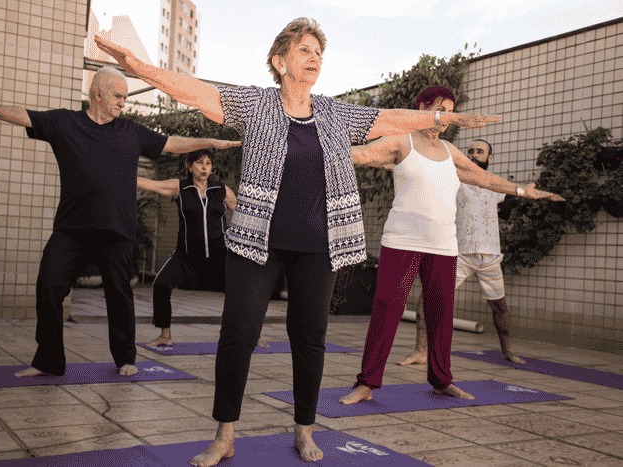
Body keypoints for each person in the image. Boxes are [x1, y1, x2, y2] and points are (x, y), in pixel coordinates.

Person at [95, 19, 499, 466]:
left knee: (310, 338)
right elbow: (194, 91)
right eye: (305, 50)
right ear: (280, 61)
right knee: (238, 335)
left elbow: (388, 119)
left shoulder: (332, 112)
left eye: (318, 53)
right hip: (256, 242)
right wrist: (137, 66)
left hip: (319, 245)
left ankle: (304, 429)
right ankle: (225, 433)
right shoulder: (256, 103)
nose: (314, 58)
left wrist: (440, 118)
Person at [0, 67, 240, 378]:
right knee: (48, 286)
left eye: (126, 97)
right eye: (118, 96)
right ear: (97, 93)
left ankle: (125, 358)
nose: (123, 103)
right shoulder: (65, 123)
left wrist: (211, 142)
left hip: (116, 229)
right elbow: (24, 115)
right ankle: (47, 360)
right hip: (72, 228)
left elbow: (172, 143)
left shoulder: (130, 131)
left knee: (118, 295)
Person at [339, 86, 563, 406]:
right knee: (388, 309)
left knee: (441, 313)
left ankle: (442, 379)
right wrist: (313, 145)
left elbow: (484, 179)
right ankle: (366, 382)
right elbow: (360, 154)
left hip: (443, 245)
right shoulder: (401, 141)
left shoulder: (449, 151)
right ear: (423, 107)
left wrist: (524, 191)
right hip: (402, 240)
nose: (447, 117)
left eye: (451, 110)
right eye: (441, 108)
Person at [399, 139, 526, 367]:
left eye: (480, 151)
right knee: (429, 297)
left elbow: (511, 201)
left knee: (500, 306)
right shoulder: (453, 180)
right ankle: (420, 351)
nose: (474, 154)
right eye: (470, 151)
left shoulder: (495, 185)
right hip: (459, 254)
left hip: (490, 257)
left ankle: (508, 350)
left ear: (490, 158)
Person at [136, 149, 236, 347]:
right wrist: (118, 172)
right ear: (189, 166)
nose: (205, 167)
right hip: (187, 256)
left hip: (219, 255)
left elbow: (243, 213)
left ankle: (250, 335)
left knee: (238, 292)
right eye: (200, 163)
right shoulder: (180, 187)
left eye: (208, 163)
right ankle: (165, 335)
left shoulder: (221, 190)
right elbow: (151, 184)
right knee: (161, 285)